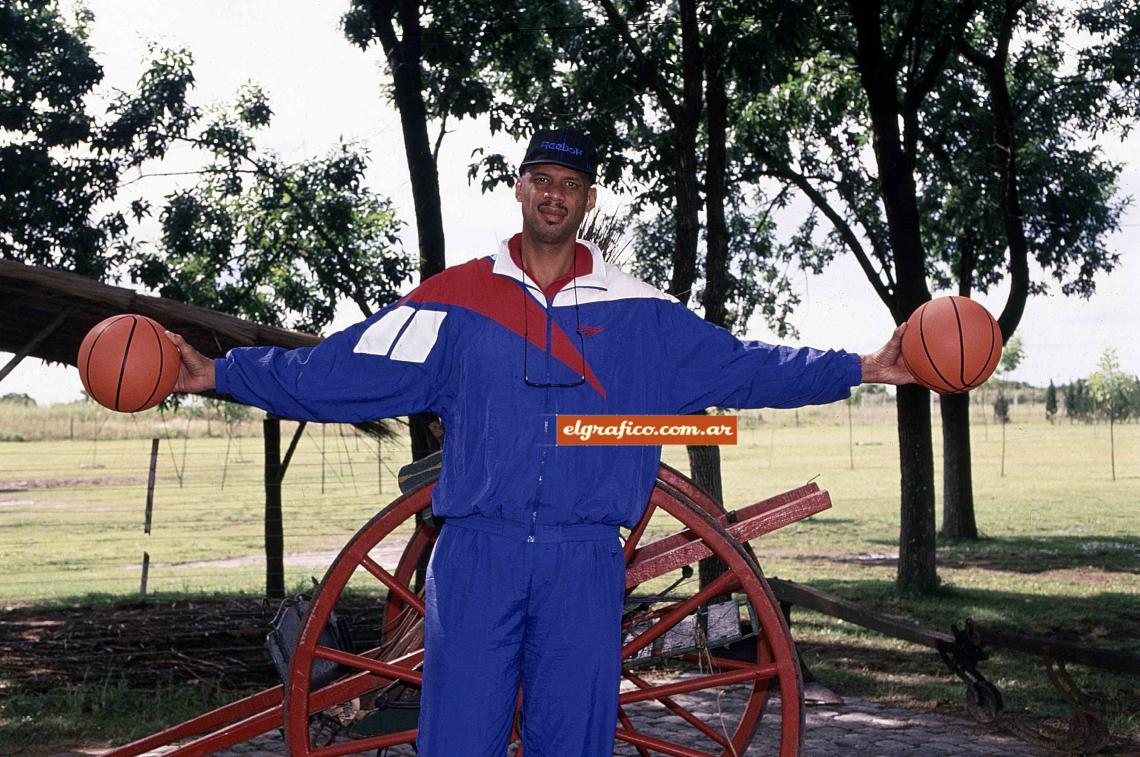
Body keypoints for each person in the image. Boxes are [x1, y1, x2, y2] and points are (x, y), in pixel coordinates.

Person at [169, 127, 914, 756]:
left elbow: (748, 367)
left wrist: (864, 366)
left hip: (583, 562)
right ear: (519, 189)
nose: (554, 194)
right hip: (476, 556)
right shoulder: (455, 301)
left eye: (570, 183)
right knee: (458, 740)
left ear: (589, 200)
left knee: (572, 740)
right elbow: (337, 369)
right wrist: (219, 374)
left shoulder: (641, 313)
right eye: (540, 179)